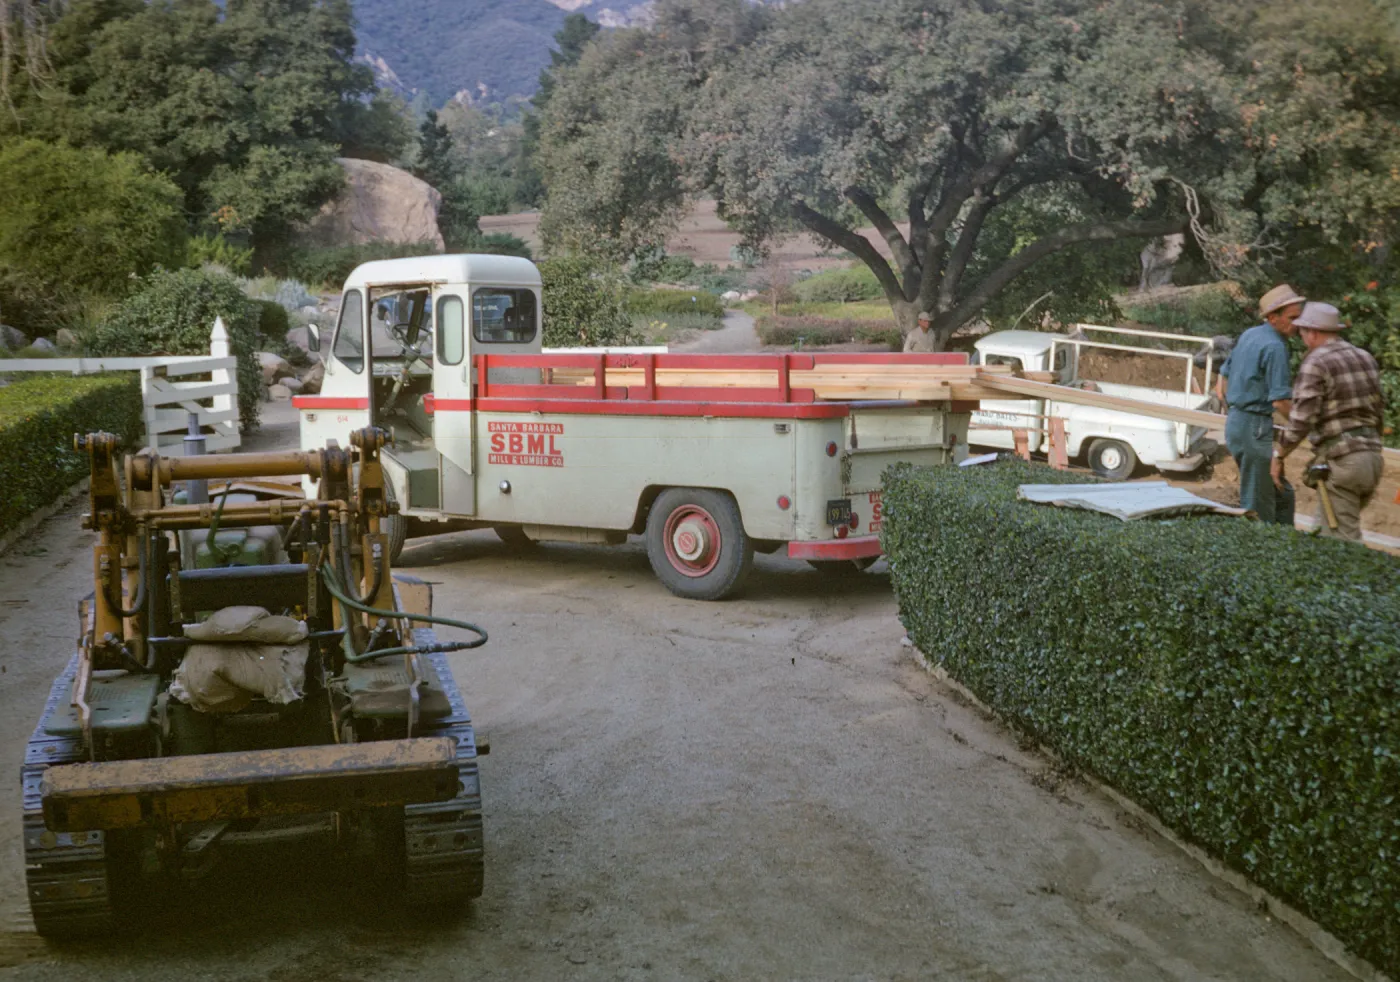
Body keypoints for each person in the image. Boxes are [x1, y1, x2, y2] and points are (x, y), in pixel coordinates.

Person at [1271, 302, 1384, 541]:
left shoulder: (1316, 362)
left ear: (1312, 332)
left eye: (1302, 332)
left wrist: (1279, 455)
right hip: (1372, 459)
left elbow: (1301, 419)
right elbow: (1378, 409)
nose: (1302, 338)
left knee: (1341, 541)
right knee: (1328, 530)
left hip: (1344, 461)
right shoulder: (1364, 357)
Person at [1215, 284, 1304, 523]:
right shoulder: (1275, 347)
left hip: (1237, 423)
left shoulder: (1250, 334)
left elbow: (1222, 375)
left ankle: (1283, 540)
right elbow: (1280, 401)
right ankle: (1260, 542)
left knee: (1281, 494)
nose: (1298, 324)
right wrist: (1303, 426)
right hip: (1254, 427)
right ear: (1273, 317)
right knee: (1258, 504)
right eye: (1292, 318)